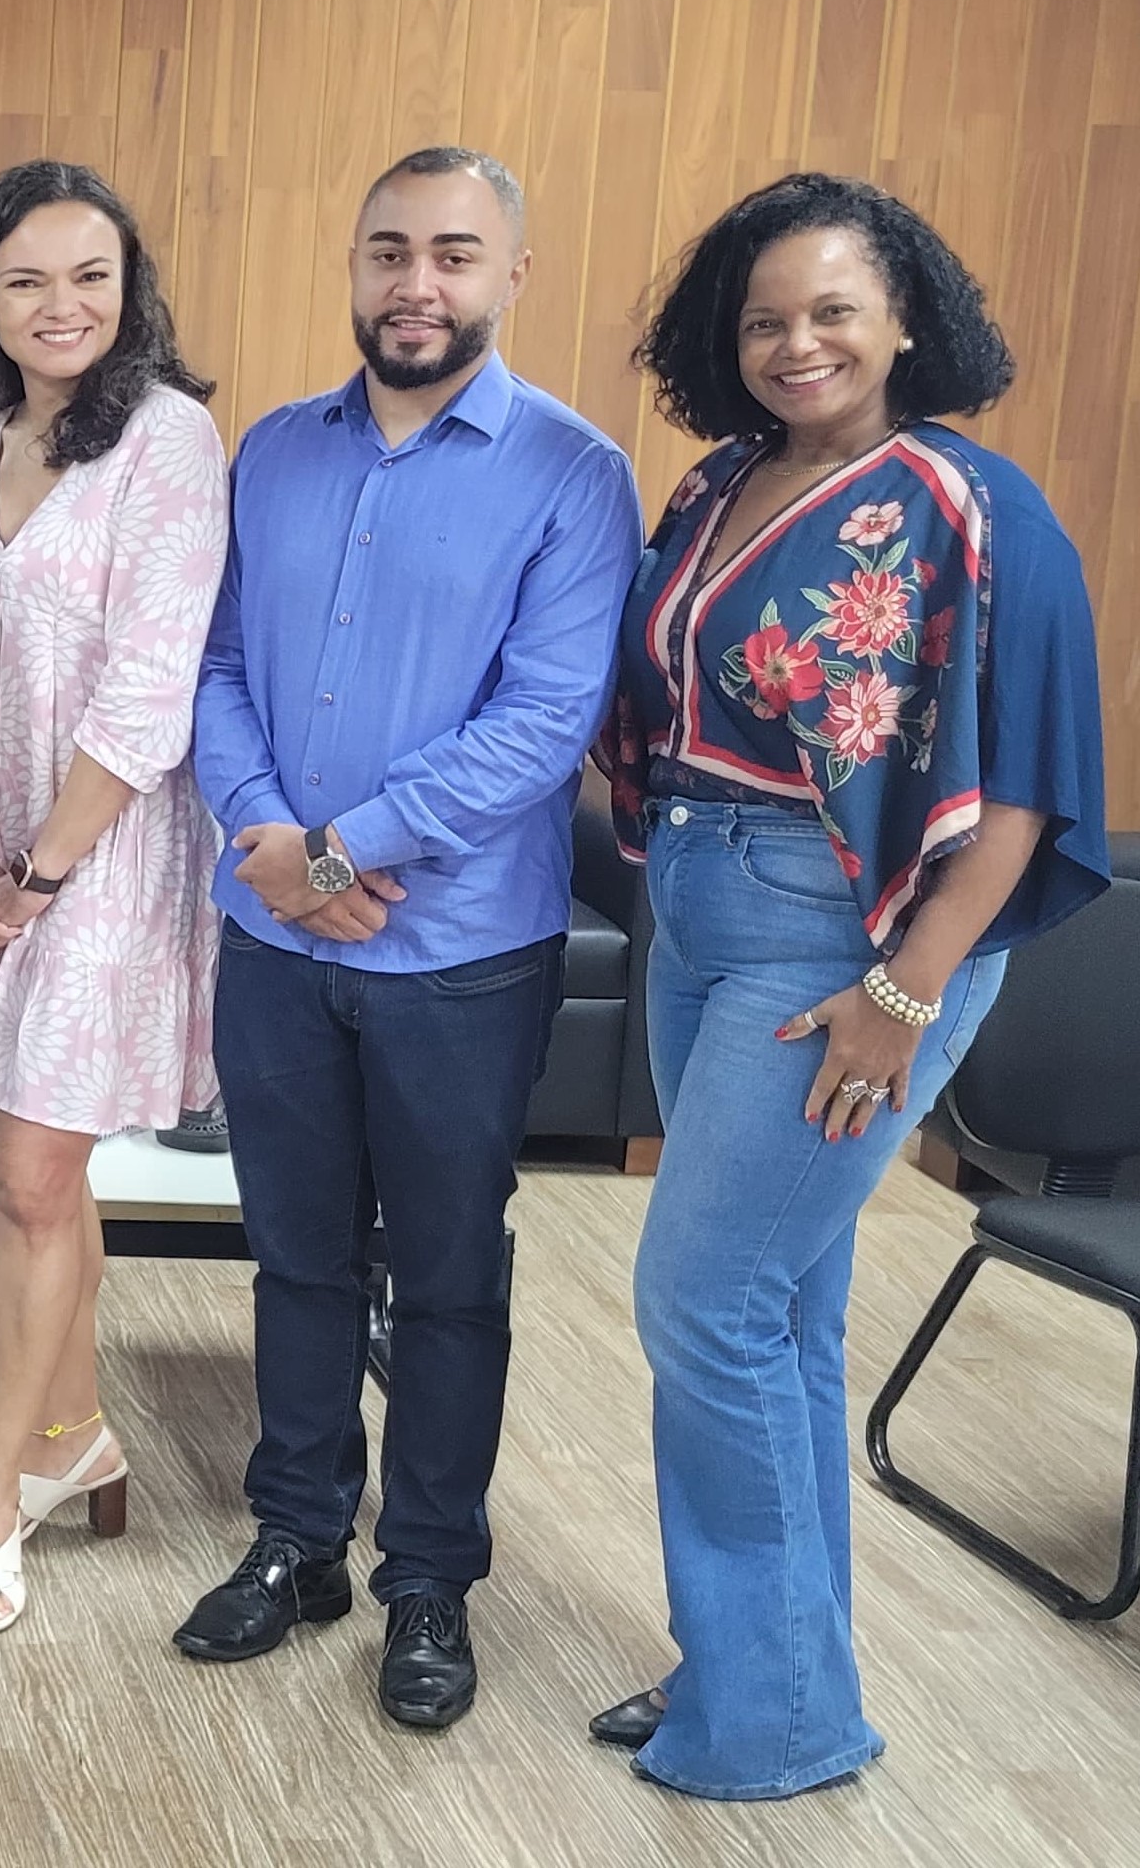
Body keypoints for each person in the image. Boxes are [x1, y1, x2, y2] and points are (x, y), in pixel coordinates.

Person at [589, 175, 1109, 1798]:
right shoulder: (720, 481)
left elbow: (1021, 787)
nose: (796, 339)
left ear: (905, 319)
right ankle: (777, 1668)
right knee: (783, 1310)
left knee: (703, 1294)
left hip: (851, 946)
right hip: (698, 911)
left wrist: (907, 984)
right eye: (763, 316)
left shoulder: (970, 503)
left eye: (830, 309)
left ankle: (770, 1717)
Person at [176, 147, 641, 1731]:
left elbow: (546, 721)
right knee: (296, 1255)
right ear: (354, 265)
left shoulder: (574, 474)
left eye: (454, 253)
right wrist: (271, 845)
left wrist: (344, 849)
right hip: (277, 941)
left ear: (514, 275)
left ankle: (427, 1576)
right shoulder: (276, 452)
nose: (415, 284)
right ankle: (298, 1536)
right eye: (388, 250)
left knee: (445, 1277)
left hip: (458, 953)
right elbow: (217, 662)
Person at [0, 161, 228, 1634]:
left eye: (91, 275)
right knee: (36, 1169)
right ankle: (75, 1423)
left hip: (95, 856)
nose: (63, 304)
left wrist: (35, 871)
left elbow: (151, 687)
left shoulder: (166, 439)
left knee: (25, 1180)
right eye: (29, 277)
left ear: (130, 289)